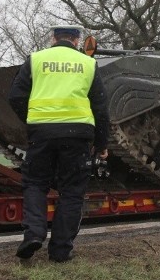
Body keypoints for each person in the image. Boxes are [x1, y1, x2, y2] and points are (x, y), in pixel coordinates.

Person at [7, 25, 110, 262]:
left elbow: (15, 97)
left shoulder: (36, 60)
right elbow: (101, 110)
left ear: (53, 38)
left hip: (41, 133)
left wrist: (33, 120)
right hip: (77, 136)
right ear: (77, 40)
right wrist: (102, 143)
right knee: (72, 192)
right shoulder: (87, 64)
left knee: (35, 184)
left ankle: (34, 234)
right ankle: (61, 250)